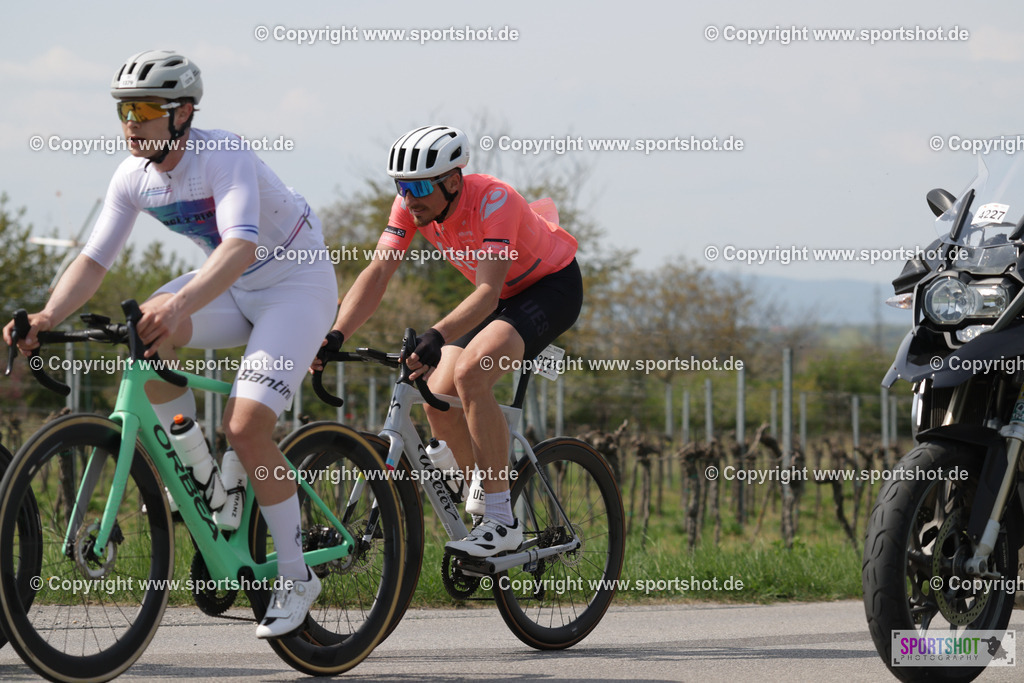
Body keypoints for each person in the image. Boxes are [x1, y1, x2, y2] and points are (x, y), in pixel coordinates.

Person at [3, 50, 337, 638]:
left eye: (145, 108)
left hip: (294, 284)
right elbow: (92, 259)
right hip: (235, 289)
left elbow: (237, 246)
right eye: (124, 109)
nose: (131, 121)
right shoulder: (132, 177)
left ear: (182, 112)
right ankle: (210, 482)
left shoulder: (221, 152)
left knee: (246, 425)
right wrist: (47, 314)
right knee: (145, 336)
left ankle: (294, 575)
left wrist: (180, 302)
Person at [321, 125, 582, 558]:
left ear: (453, 181)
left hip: (548, 289)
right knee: (436, 394)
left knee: (470, 372)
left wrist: (436, 335)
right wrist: (335, 334)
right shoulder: (410, 208)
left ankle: (503, 521)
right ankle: (483, 479)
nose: (410, 198)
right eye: (402, 186)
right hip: (497, 298)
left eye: (420, 186)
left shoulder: (495, 199)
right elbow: (378, 272)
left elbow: (487, 294)